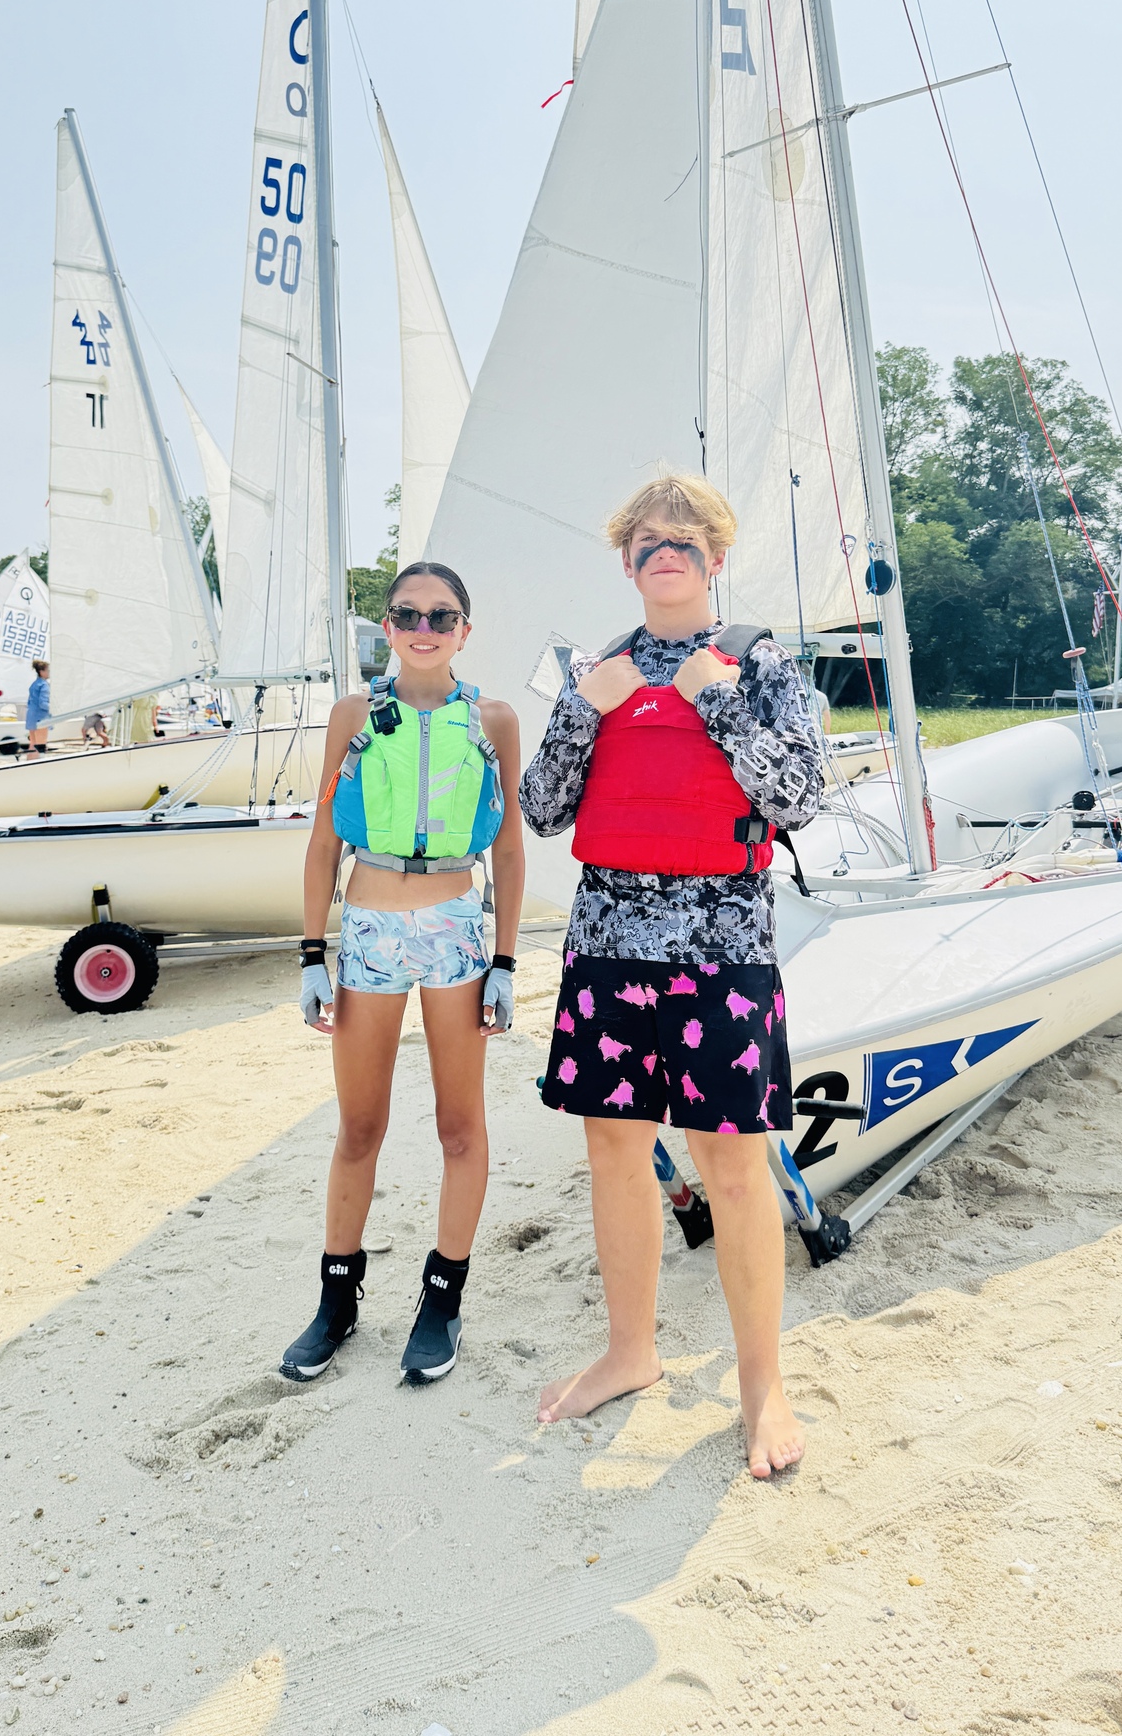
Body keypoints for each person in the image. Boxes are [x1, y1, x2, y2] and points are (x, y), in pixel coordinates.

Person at [519, 474, 824, 1479]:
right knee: (615, 1151)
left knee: (731, 1161)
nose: (668, 549)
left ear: (716, 559)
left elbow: (798, 796)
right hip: (609, 938)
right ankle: (631, 1349)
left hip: (722, 947)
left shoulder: (760, 662)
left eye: (687, 538)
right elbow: (544, 809)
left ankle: (760, 1381)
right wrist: (578, 709)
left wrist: (717, 699)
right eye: (650, 538)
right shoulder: (595, 668)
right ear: (627, 559)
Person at [282, 561, 525, 1388]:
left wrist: (503, 960)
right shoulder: (355, 715)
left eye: (442, 615)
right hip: (373, 930)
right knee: (360, 1128)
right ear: (386, 626)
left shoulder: (492, 719)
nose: (424, 628)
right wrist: (314, 952)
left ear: (466, 628)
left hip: (455, 930)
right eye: (408, 614)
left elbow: (511, 847)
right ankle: (337, 1299)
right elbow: (322, 843)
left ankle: (441, 1296)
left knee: (460, 1127)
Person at [25, 660, 51, 754]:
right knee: (41, 746)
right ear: (41, 671)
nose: (49, 673)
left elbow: (30, 702)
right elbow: (43, 703)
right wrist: (54, 710)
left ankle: (29, 765)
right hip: (41, 718)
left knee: (33, 745)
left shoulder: (34, 684)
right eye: (48, 671)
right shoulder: (44, 685)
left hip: (31, 717)